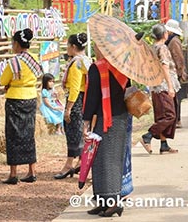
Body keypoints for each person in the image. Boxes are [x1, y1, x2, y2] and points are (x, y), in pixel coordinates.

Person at [82, 45, 131, 217]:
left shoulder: (97, 68)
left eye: (96, 45)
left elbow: (92, 97)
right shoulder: (121, 67)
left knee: (106, 160)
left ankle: (113, 202)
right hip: (121, 117)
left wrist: (86, 120)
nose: (94, 47)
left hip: (107, 118)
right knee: (109, 159)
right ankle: (103, 201)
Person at [0, 28, 42, 184]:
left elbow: (3, 81)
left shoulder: (14, 62)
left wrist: (10, 83)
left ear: (17, 44)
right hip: (31, 98)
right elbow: (39, 74)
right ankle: (32, 171)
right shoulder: (34, 58)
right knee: (29, 133)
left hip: (15, 99)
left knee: (13, 135)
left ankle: (13, 174)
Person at [55, 32, 90, 180]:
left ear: (73, 47)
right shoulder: (87, 60)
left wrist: (68, 108)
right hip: (85, 100)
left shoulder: (76, 63)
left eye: (68, 46)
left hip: (75, 100)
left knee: (72, 132)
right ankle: (81, 162)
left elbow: (75, 88)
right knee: (81, 132)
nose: (67, 49)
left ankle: (69, 164)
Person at [141, 24, 180, 155]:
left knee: (161, 115)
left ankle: (164, 144)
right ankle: (148, 135)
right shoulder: (162, 48)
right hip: (163, 85)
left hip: (155, 85)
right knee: (170, 115)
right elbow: (165, 67)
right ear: (165, 34)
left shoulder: (151, 48)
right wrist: (170, 86)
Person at [164, 19, 188, 129]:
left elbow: (178, 57)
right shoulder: (172, 40)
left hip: (175, 72)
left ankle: (177, 119)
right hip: (172, 71)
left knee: (176, 98)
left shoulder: (174, 41)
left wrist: (181, 70)